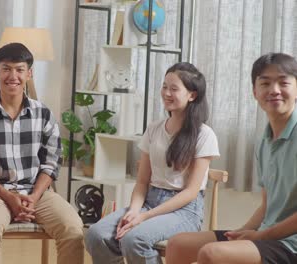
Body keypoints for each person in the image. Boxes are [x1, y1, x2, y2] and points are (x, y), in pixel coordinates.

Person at [166, 53, 297, 264]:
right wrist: (242, 232)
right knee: (178, 244)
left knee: (212, 254)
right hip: (266, 236)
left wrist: (261, 236)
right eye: (265, 83)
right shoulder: (265, 140)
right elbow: (266, 206)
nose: (274, 90)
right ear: (255, 91)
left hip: (290, 245)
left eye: (283, 83)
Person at [0, 42, 84, 264]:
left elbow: (52, 162)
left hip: (36, 193)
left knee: (73, 228)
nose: (13, 76)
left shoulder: (43, 114)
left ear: (30, 73)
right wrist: (9, 197)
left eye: (19, 69)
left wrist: (33, 197)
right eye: (6, 68)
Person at [84, 62, 220, 264]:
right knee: (96, 234)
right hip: (149, 200)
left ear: (192, 95)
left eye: (174, 89)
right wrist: (133, 211)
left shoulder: (204, 134)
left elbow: (191, 192)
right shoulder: (154, 129)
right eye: (164, 86)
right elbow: (141, 182)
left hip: (185, 210)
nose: (166, 93)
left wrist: (144, 218)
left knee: (134, 239)